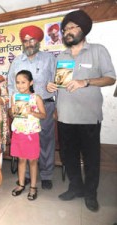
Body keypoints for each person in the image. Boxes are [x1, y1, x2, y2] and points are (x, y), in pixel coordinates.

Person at [47, 10, 116, 212]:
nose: (67, 32)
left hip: (88, 117)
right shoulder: (61, 55)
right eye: (65, 28)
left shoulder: (97, 50)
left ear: (83, 29)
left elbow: (111, 78)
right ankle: (75, 187)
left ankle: (90, 193)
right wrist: (53, 88)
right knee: (69, 157)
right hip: (65, 117)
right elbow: (60, 83)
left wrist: (85, 81)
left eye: (72, 27)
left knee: (91, 158)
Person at [7, 25, 56, 190]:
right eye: (25, 40)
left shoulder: (49, 59)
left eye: (31, 39)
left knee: (45, 142)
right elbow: (10, 85)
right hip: (22, 110)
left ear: (38, 40)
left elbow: (58, 82)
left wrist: (54, 89)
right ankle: (26, 176)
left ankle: (47, 175)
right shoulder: (17, 61)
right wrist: (13, 107)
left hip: (44, 107)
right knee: (25, 143)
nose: (28, 43)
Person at [10, 70, 46, 200]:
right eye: (18, 82)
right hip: (18, 133)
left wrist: (32, 112)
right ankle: (21, 184)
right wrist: (12, 111)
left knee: (32, 161)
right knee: (21, 160)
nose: (20, 85)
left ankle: (33, 187)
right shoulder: (15, 97)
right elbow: (12, 114)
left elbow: (43, 115)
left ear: (31, 82)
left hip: (31, 134)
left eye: (23, 82)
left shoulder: (36, 98)